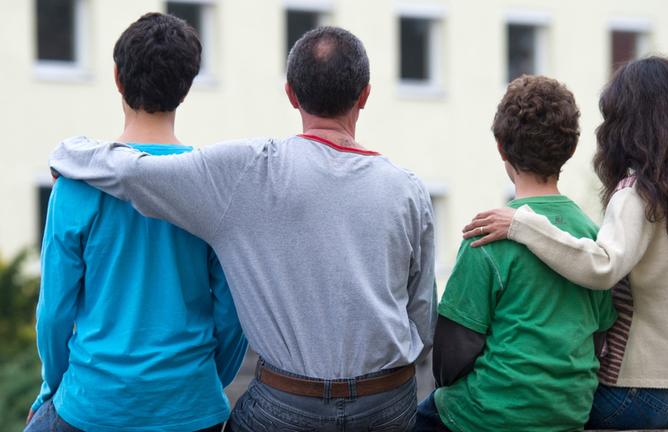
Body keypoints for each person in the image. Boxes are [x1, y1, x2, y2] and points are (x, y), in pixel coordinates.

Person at [48, 26, 436, 431]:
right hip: (387, 402)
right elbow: (422, 320)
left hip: (288, 403)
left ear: (290, 94)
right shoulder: (408, 188)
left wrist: (67, 152)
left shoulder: (249, 171)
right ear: (365, 95)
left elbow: (132, 171)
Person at [462, 56, 668, 429]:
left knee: (547, 410)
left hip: (640, 392)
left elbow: (602, 266)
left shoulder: (639, 194)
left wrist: (522, 224)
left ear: (630, 124)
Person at [26, 13, 247, 432]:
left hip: (92, 406)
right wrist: (200, 384)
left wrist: (50, 390)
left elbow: (54, 311)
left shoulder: (75, 187)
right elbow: (233, 315)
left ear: (116, 78)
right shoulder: (214, 188)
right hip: (191, 407)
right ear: (187, 86)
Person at [414, 75, 617, 432]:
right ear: (569, 150)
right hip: (569, 414)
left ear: (501, 148)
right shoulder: (591, 238)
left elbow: (450, 359)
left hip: (488, 416)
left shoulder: (488, 234)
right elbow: (599, 337)